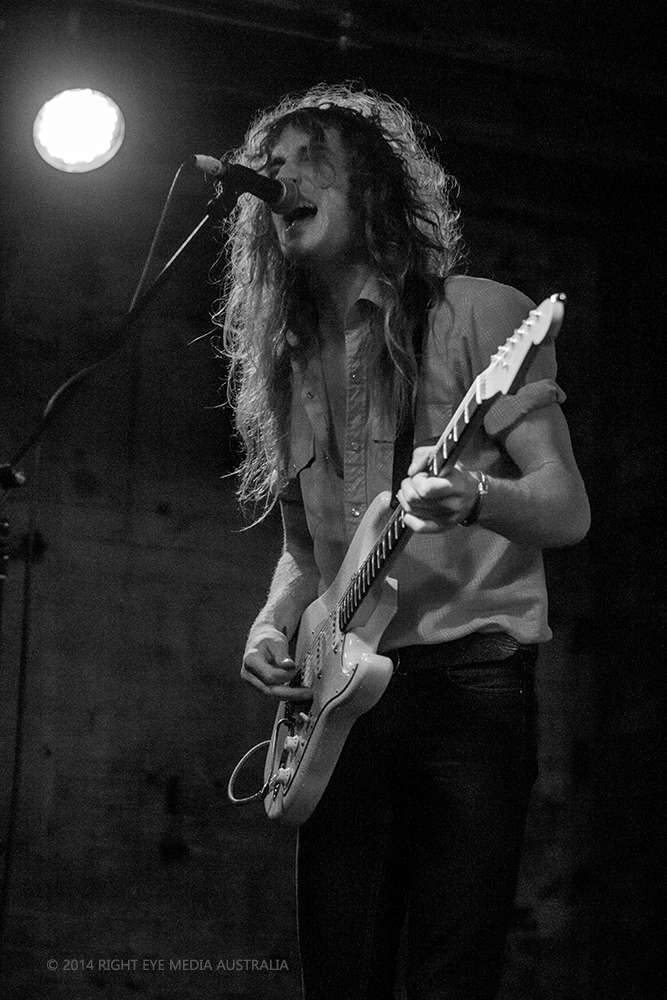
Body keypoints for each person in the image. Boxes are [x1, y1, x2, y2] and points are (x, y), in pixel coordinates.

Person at [216, 83, 590, 1000]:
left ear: (373, 185)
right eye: (270, 167)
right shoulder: (289, 362)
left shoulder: (478, 313)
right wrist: (269, 626)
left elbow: (565, 509)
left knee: (449, 975)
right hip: (338, 698)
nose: (280, 180)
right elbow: (306, 551)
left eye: (309, 160)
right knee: (339, 975)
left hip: (467, 685)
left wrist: (474, 497)